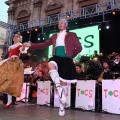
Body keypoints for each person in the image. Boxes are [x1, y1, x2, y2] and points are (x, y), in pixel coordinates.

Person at [23, 18, 82, 116]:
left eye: (62, 22)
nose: (60, 24)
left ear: (66, 25)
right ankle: (58, 88)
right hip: (56, 57)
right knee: (51, 65)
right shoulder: (54, 36)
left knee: (64, 83)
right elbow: (44, 44)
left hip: (66, 59)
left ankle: (62, 107)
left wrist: (71, 55)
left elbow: (79, 48)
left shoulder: (72, 35)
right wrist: (30, 45)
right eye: (59, 23)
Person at [0, 33, 27, 109]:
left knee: (10, 82)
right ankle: (9, 101)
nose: (15, 38)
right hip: (9, 62)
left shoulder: (19, 45)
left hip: (15, 63)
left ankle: (9, 101)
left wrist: (23, 47)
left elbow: (22, 50)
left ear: (19, 38)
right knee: (7, 82)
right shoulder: (10, 47)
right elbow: (9, 55)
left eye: (17, 37)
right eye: (14, 36)